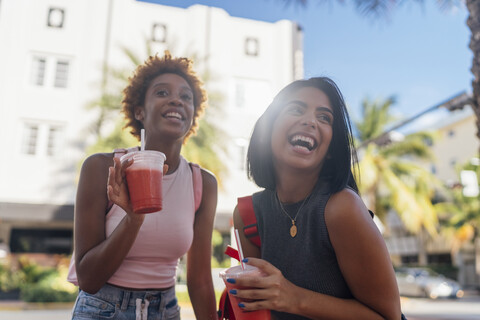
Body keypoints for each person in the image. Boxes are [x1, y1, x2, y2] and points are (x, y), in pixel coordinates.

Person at [231, 77, 403, 319]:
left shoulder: (342, 208)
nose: (310, 121)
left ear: (331, 150)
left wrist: (294, 298)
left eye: (324, 117)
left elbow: (389, 317)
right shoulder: (247, 214)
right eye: (296, 109)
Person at [68, 52, 218, 319]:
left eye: (186, 97)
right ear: (139, 111)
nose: (176, 100)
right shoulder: (102, 169)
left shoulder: (202, 183)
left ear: (193, 115)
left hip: (167, 310)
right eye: (162, 92)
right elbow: (89, 279)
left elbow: (201, 281)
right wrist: (133, 219)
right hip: (103, 309)